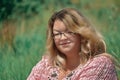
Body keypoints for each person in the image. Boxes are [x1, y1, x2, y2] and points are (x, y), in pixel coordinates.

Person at [27, 8, 118, 80]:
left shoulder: (100, 64)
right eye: (57, 34)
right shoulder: (46, 64)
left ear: (82, 33)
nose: (63, 38)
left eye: (69, 32)